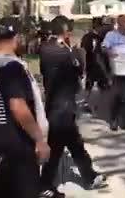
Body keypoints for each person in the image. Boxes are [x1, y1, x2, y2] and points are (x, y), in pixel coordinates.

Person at [39, 15, 107, 197]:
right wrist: (75, 52)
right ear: (66, 31)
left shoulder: (45, 48)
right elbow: (79, 69)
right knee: (62, 147)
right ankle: (45, 185)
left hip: (55, 103)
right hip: (63, 105)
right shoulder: (64, 52)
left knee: (70, 145)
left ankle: (89, 176)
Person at [0, 17, 49, 198]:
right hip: (18, 144)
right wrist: (39, 139)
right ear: (17, 37)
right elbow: (17, 106)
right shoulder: (11, 67)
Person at [103, 14, 125, 132]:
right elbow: (104, 47)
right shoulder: (111, 35)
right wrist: (110, 52)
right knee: (116, 97)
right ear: (119, 24)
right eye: (124, 23)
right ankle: (114, 120)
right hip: (117, 71)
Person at [81, 17, 110, 103]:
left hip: (90, 63)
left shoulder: (87, 36)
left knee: (90, 84)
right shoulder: (97, 37)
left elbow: (82, 49)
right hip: (97, 63)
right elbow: (98, 52)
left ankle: (87, 101)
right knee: (102, 84)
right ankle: (103, 102)